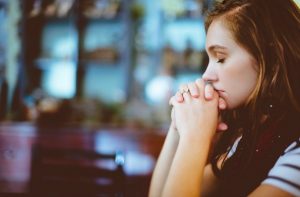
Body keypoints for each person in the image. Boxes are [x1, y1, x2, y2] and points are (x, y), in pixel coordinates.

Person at [149, 0, 300, 196]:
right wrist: (179, 126)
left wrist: (195, 137)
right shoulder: (249, 139)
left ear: (270, 59)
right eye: (209, 59)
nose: (206, 75)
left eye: (220, 58)